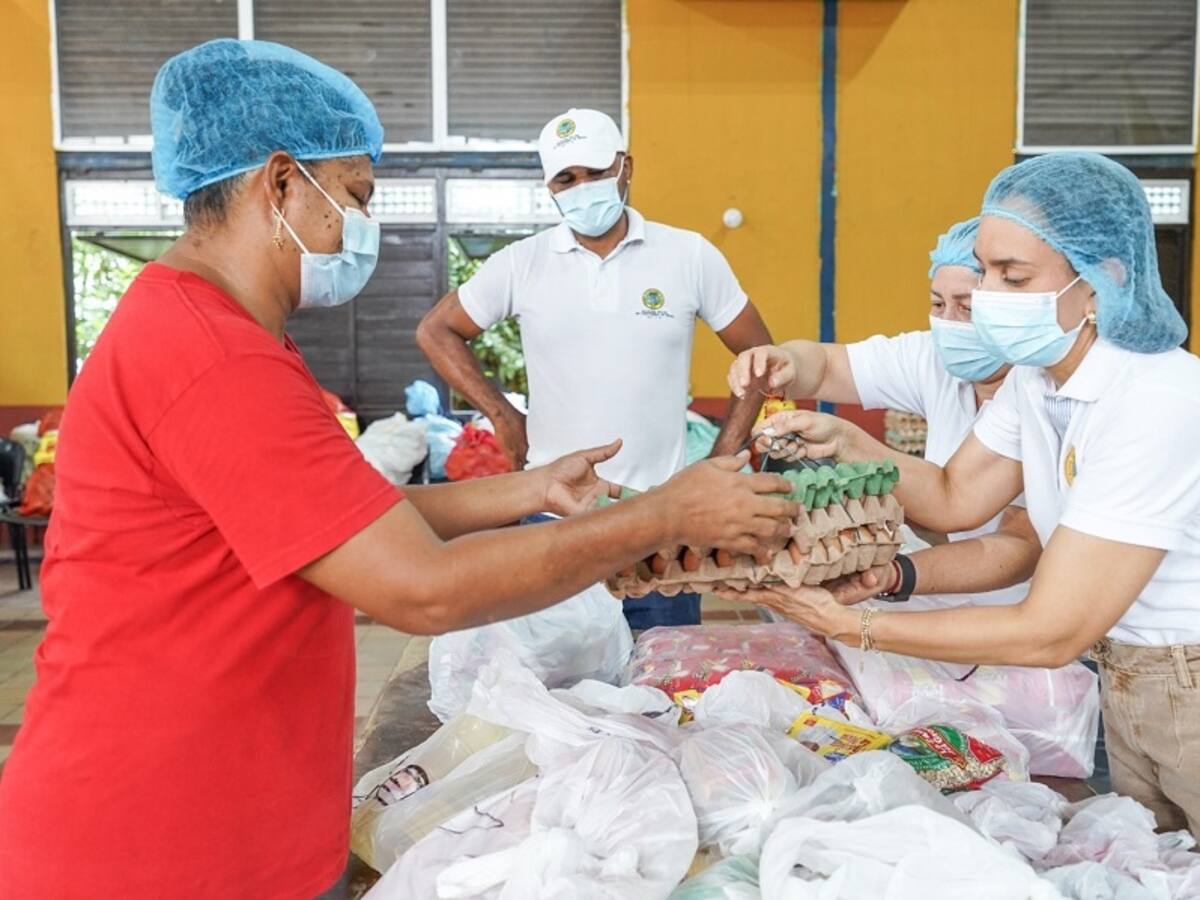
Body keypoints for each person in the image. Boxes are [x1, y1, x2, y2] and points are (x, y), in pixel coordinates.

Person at [0, 41, 798, 899]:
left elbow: (343, 512)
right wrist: (662, 516)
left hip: (218, 823)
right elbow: (422, 589)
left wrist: (530, 488)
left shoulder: (213, 332)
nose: (362, 226)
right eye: (355, 196)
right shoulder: (214, 356)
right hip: (158, 847)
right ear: (279, 185)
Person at [731, 151, 1200, 835]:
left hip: (1184, 676)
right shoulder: (1039, 381)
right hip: (1127, 672)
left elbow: (1051, 628)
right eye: (985, 272)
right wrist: (848, 442)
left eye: (1015, 277)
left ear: (1101, 281)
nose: (987, 299)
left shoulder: (1154, 398)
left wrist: (853, 625)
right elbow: (955, 494)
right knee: (1154, 867)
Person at [417, 107, 774, 628]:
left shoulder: (688, 256)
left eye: (595, 172)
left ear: (625, 167)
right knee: (557, 683)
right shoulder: (523, 263)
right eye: (567, 178)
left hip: (661, 516)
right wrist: (502, 415)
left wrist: (723, 453)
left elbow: (759, 356)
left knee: (662, 683)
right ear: (550, 189)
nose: (582, 187)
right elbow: (436, 330)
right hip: (556, 515)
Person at [727, 217, 1041, 607]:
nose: (948, 324)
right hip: (949, 591)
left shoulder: (1040, 387)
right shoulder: (935, 359)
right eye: (937, 304)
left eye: (967, 307)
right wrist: (786, 360)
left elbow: (1016, 542)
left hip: (1026, 611)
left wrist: (895, 574)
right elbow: (827, 365)